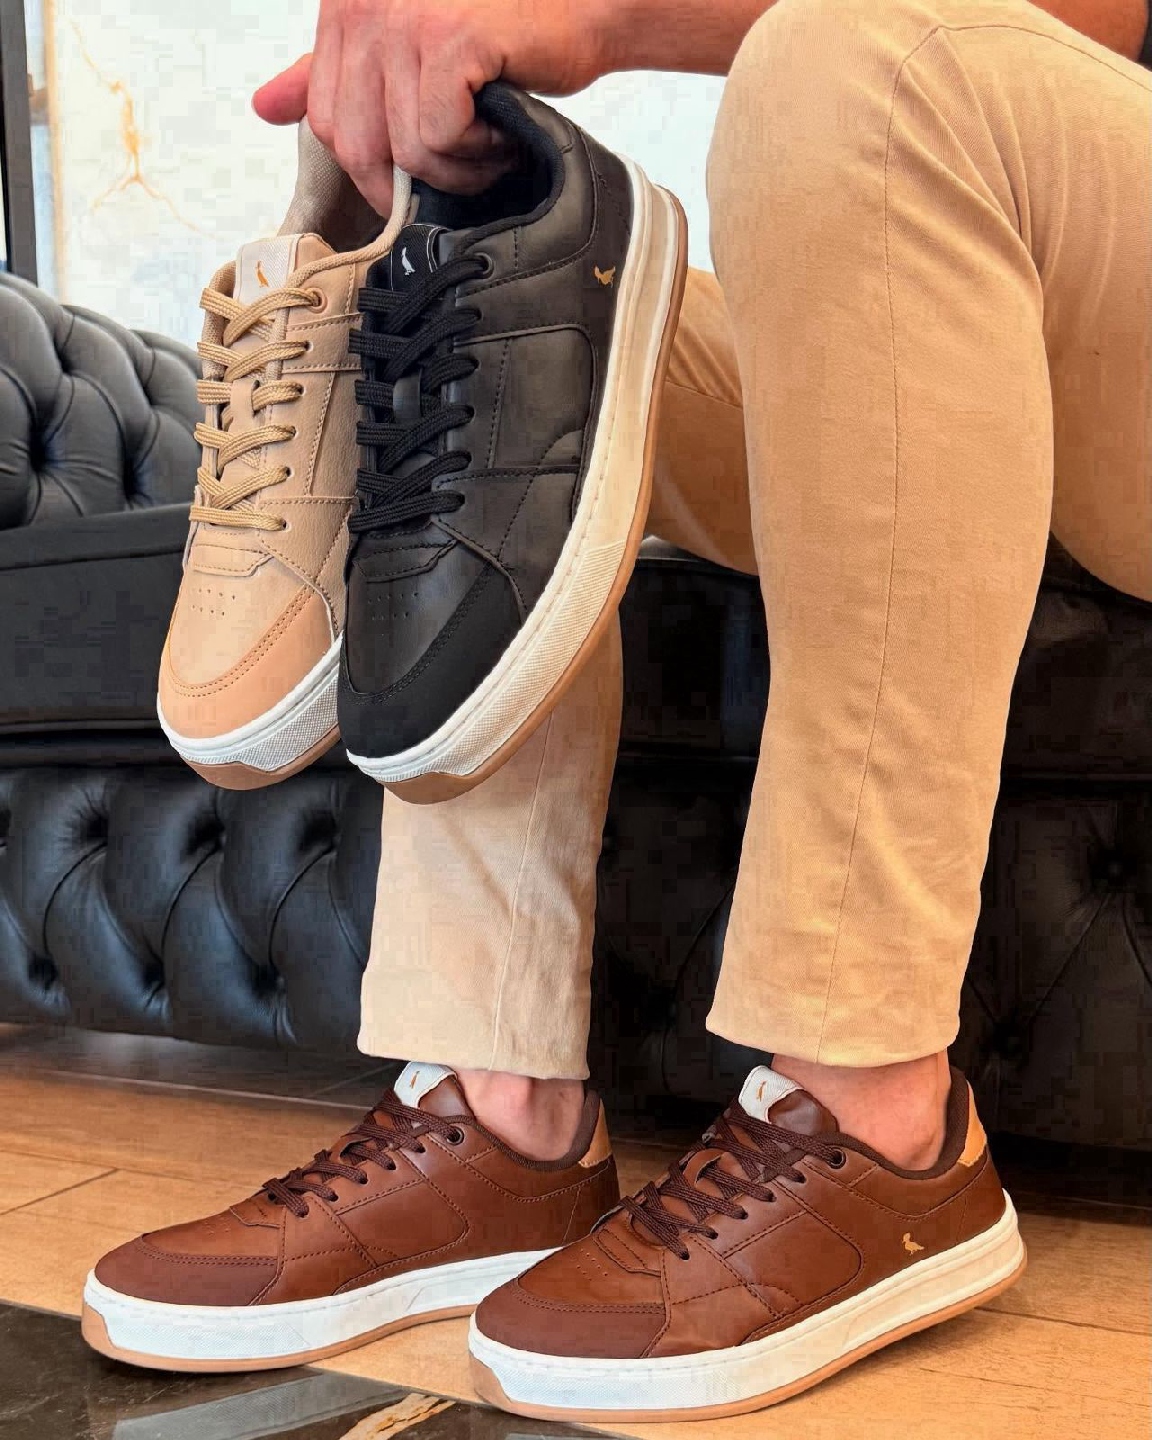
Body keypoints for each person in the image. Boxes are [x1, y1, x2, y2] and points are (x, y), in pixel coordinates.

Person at [83, 0, 1151, 1420]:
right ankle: (497, 1116)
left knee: (865, 59)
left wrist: (608, 12)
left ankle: (880, 1122)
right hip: (965, 318)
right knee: (519, 278)